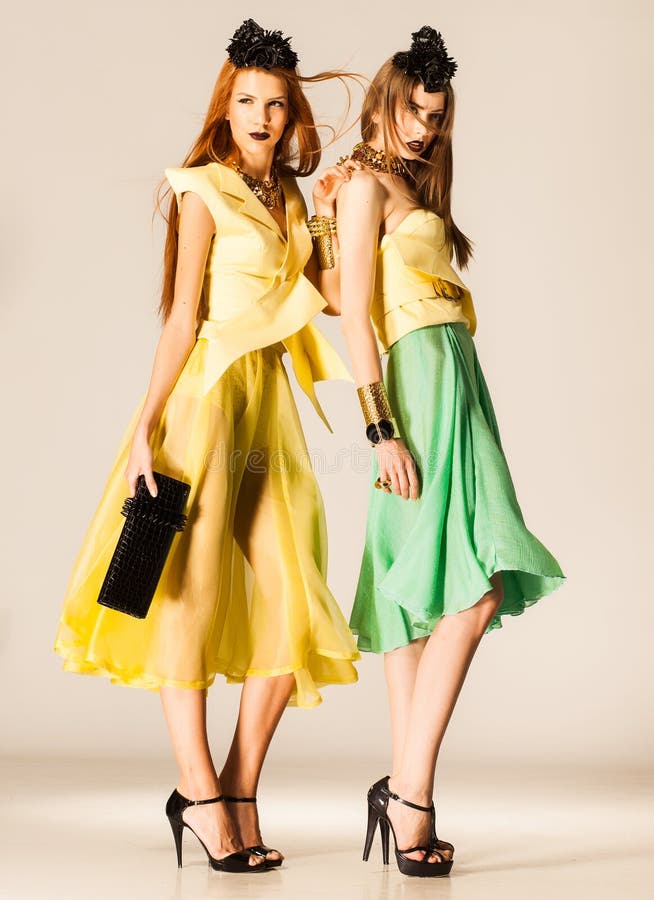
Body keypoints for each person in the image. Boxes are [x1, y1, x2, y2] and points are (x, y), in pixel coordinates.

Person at [53, 18, 359, 873]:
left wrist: (328, 215)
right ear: (225, 107)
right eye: (247, 100)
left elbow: (331, 298)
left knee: (294, 596)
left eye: (276, 103)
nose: (262, 116)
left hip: (269, 411)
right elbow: (183, 317)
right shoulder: (201, 189)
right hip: (205, 406)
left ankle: (233, 787)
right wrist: (146, 429)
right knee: (182, 594)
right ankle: (200, 792)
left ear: (291, 111)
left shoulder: (289, 197)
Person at [316, 25, 566, 877]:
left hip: (455, 378)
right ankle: (411, 793)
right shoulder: (363, 187)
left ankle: (408, 803)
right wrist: (380, 426)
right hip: (415, 389)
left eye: (437, 115)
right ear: (386, 98)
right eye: (414, 108)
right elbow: (349, 312)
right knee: (471, 591)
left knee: (419, 591)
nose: (424, 127)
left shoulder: (402, 186)